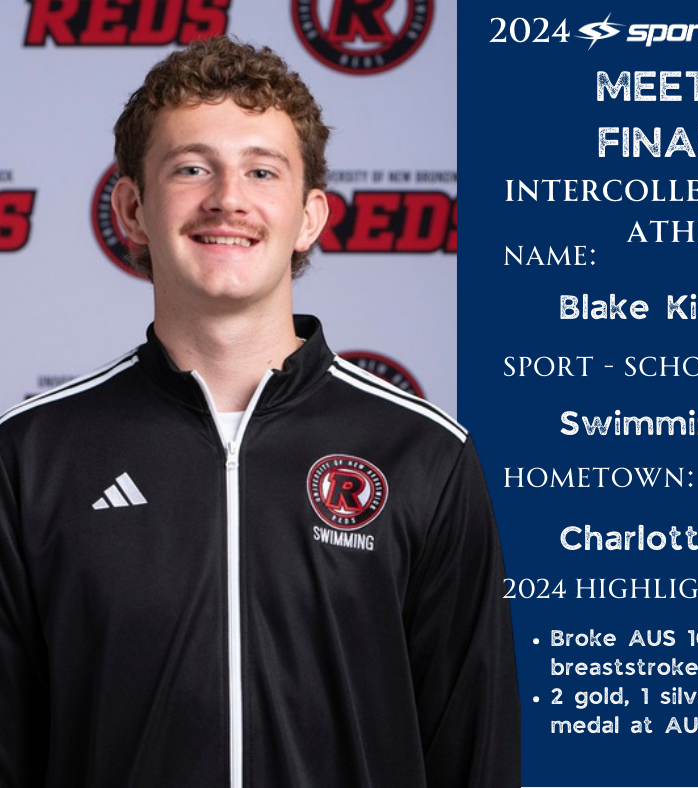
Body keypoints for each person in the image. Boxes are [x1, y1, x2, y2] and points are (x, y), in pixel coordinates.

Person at [0, 36, 520, 787]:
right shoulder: (31, 458)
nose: (227, 199)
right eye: (190, 167)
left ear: (310, 216)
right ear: (132, 209)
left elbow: (478, 755)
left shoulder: (424, 456)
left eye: (261, 170)